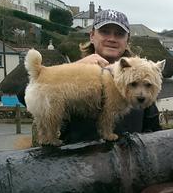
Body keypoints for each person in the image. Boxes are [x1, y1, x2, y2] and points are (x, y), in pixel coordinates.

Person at [59, 9, 162, 143]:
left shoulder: (143, 80)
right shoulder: (70, 72)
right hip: (79, 161)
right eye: (105, 32)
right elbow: (26, 92)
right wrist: (75, 68)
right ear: (92, 36)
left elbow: (153, 130)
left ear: (127, 41)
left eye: (119, 34)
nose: (112, 39)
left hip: (127, 161)